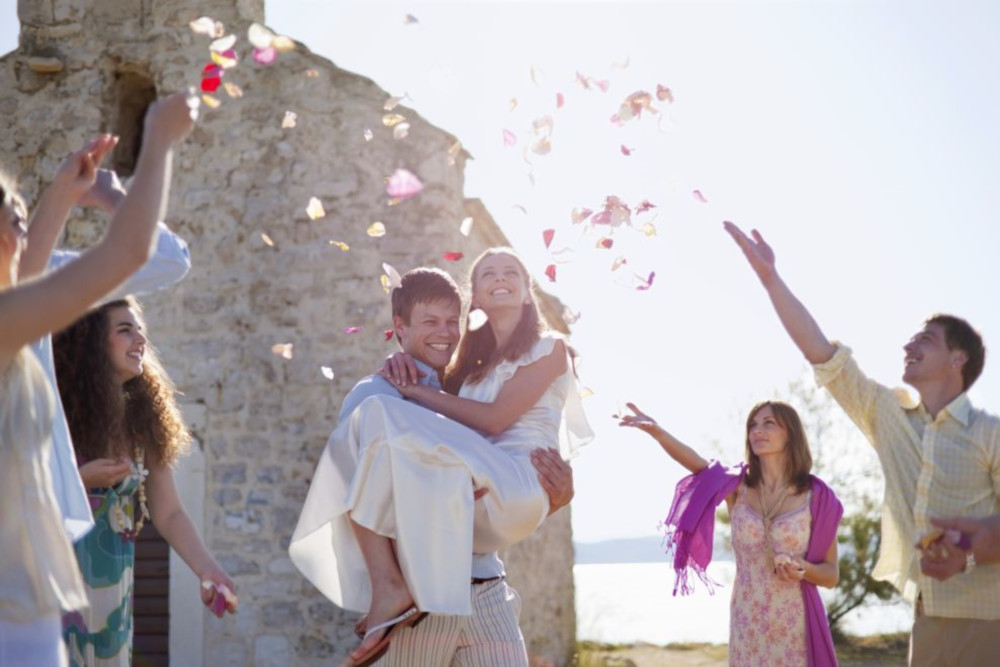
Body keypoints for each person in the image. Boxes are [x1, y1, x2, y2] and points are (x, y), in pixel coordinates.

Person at [290, 251, 592, 666]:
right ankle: (388, 590)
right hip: (424, 597)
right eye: (430, 322)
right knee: (372, 419)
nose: (445, 333)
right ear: (400, 328)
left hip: (487, 589)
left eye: (452, 321)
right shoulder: (377, 394)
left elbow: (495, 463)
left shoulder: (460, 386)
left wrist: (556, 498)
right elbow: (353, 487)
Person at [724, 220, 1000, 665]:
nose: (909, 344)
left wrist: (969, 553)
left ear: (957, 359)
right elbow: (820, 352)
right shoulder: (887, 415)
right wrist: (772, 281)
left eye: (925, 339)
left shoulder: (990, 437)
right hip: (930, 611)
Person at [0, 91, 196, 666]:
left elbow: (35, 262)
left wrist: (69, 190)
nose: (21, 209)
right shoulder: (11, 319)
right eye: (9, 209)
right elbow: (131, 251)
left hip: (28, 582)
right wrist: (158, 139)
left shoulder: (21, 310)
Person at [55, 295, 235, 665]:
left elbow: (169, 513)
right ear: (89, 342)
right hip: (51, 590)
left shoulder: (141, 423)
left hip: (112, 602)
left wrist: (208, 568)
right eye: (125, 330)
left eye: (141, 331)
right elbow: (18, 498)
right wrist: (80, 480)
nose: (140, 340)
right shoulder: (55, 414)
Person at [28, 157, 191, 546]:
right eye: (124, 330)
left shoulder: (55, 279)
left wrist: (112, 196)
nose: (140, 342)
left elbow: (171, 260)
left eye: (22, 221)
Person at [620, 400, 842, 666]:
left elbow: (831, 575)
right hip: (747, 621)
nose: (757, 430)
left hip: (795, 624)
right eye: (753, 425)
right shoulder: (738, 486)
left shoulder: (818, 498)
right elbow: (699, 466)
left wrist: (802, 568)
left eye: (768, 423)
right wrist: (657, 432)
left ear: (791, 433)